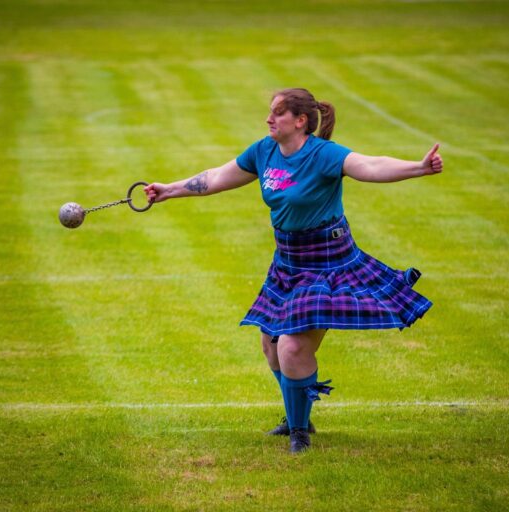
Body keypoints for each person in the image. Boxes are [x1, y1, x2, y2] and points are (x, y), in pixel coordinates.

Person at [144, 88, 442, 453]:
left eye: (278, 114)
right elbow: (217, 176)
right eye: (270, 112)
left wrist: (418, 167)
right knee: (270, 345)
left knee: (292, 347)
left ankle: (299, 431)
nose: (269, 119)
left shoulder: (323, 155)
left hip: (328, 263)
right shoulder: (264, 151)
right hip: (288, 262)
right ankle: (296, 413)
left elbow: (370, 165)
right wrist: (168, 190)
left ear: (300, 121)